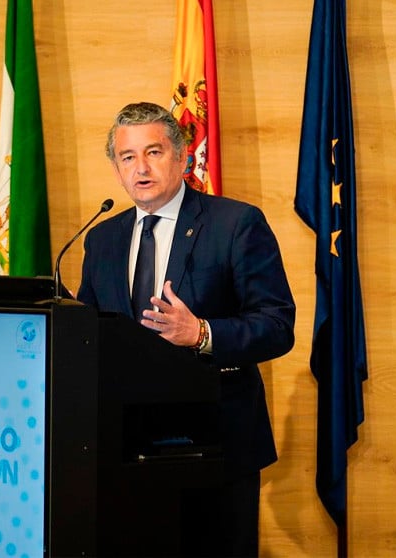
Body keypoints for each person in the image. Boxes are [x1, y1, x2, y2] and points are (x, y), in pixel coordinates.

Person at [76, 101, 295, 556]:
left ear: (181, 157)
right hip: (123, 447)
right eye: (128, 157)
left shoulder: (235, 224)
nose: (141, 168)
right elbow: (89, 331)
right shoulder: (103, 238)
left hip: (215, 445)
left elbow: (277, 325)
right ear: (116, 169)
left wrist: (202, 334)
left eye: (153, 152)